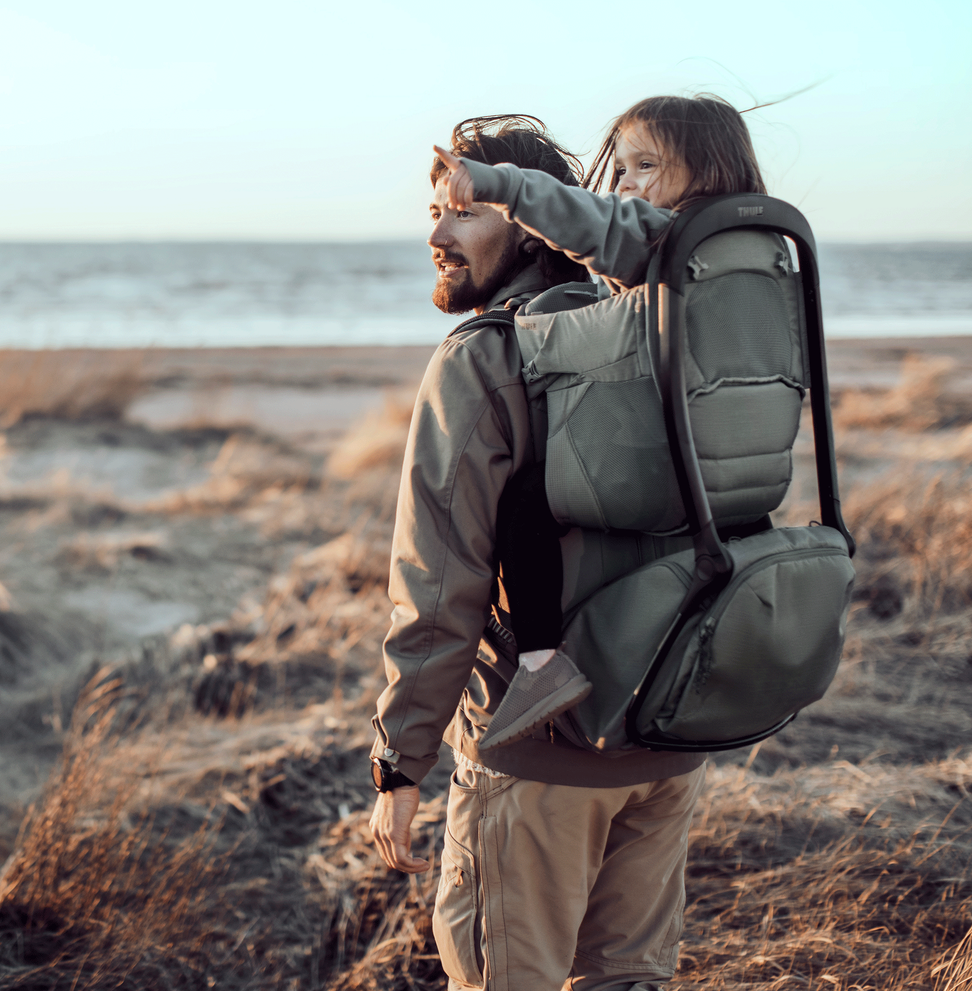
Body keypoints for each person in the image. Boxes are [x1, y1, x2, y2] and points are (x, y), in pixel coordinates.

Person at [369, 108, 713, 991]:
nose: (438, 234)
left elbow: (436, 587)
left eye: (465, 210)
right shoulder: (657, 332)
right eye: (432, 211)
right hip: (664, 743)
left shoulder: (481, 359)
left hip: (536, 752)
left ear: (534, 221)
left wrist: (399, 760)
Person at [435, 95, 769, 753]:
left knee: (525, 499)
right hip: (741, 481)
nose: (620, 184)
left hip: (657, 479)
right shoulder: (766, 253)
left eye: (642, 166)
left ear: (706, 173)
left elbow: (582, 219)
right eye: (617, 168)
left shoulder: (664, 240)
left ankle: (539, 664)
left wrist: (498, 186)